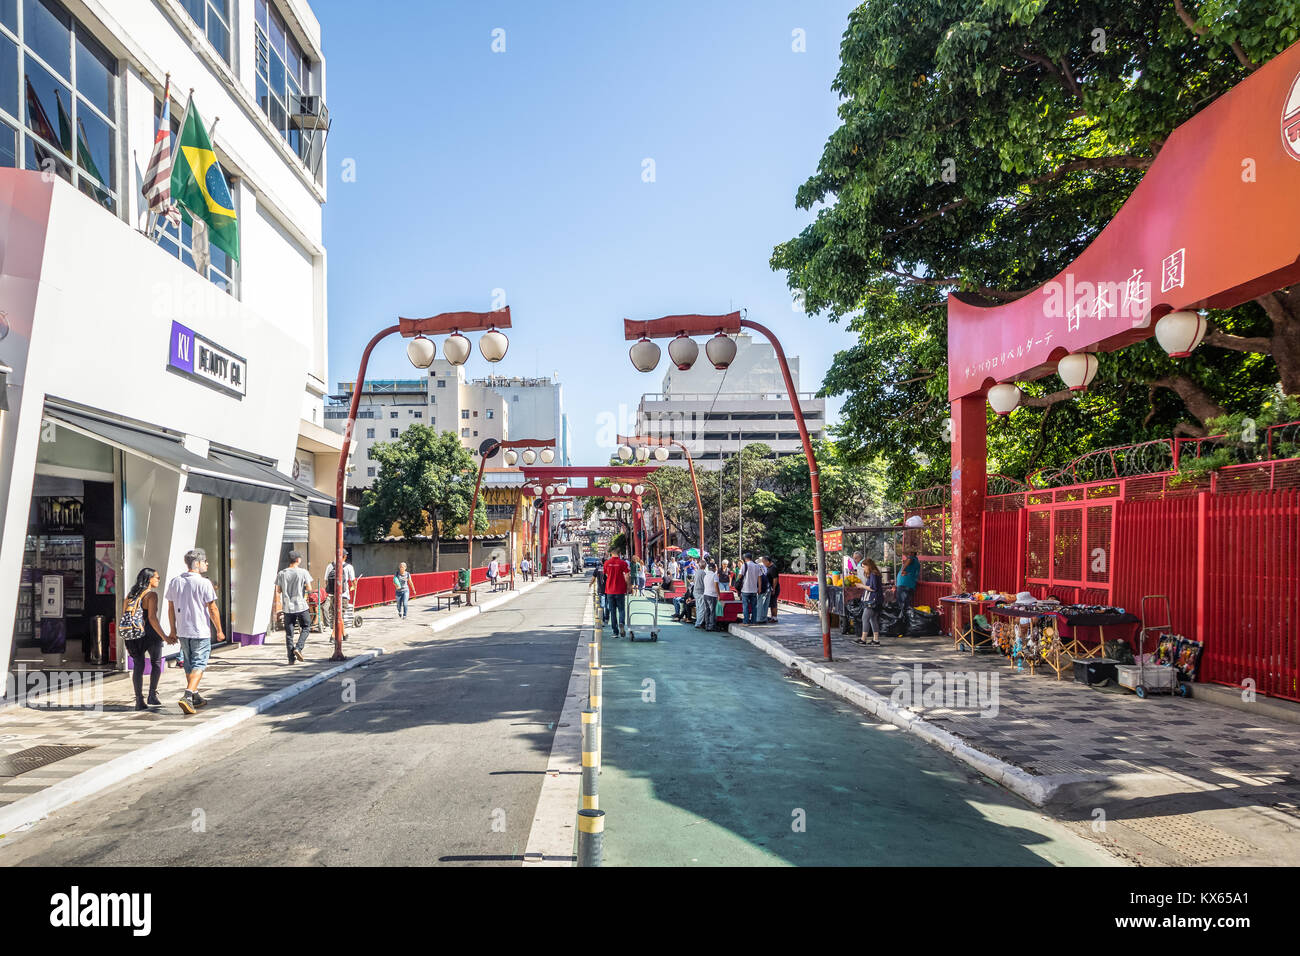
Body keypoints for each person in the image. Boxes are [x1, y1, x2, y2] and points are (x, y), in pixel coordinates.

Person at [165, 548, 225, 714]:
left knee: (189, 665)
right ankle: (188, 695)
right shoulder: (204, 583)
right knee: (199, 663)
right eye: (205, 562)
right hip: (200, 631)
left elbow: (170, 608)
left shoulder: (175, 581)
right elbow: (212, 608)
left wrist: (172, 629)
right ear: (197, 563)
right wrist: (219, 630)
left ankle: (196, 696)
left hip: (183, 630)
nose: (207, 564)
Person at [120, 567, 166, 710]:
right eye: (156, 577)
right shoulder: (151, 595)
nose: (158, 579)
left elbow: (124, 615)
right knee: (156, 663)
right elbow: (152, 618)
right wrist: (164, 636)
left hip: (133, 635)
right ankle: (152, 694)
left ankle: (139, 700)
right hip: (150, 634)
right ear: (149, 579)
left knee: (138, 666)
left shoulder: (130, 595)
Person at [276, 551, 313, 663]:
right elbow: (309, 588)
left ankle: (291, 659)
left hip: (287, 607)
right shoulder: (303, 572)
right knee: (306, 627)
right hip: (301, 605)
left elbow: (278, 590)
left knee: (289, 634)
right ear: (298, 560)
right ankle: (298, 648)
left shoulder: (281, 573)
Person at [325, 550, 358, 637]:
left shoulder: (330, 566)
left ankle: (344, 634)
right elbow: (353, 581)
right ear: (345, 556)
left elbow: (326, 581)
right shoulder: (349, 567)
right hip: (343, 594)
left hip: (332, 594)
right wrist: (353, 587)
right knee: (339, 615)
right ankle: (333, 635)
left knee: (336, 614)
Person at [602, 547, 631, 637]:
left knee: (612, 611)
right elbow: (627, 576)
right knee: (621, 609)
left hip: (610, 590)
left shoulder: (606, 563)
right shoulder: (623, 563)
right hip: (620, 590)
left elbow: (606, 575)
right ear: (619, 554)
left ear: (611, 554)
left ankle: (615, 631)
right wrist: (629, 586)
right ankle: (621, 623)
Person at [857, 558, 884, 646]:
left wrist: (862, 586)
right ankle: (876, 640)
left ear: (869, 566)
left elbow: (873, 588)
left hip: (873, 600)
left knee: (865, 618)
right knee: (873, 619)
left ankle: (863, 639)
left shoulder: (873, 574)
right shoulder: (876, 574)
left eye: (864, 567)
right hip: (878, 600)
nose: (864, 569)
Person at [739, 551, 762, 624]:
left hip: (745, 589)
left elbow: (740, 576)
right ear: (751, 558)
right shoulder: (757, 565)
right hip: (754, 589)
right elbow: (759, 578)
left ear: (745, 558)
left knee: (745, 606)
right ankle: (753, 621)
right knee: (754, 606)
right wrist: (759, 588)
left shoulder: (744, 565)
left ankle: (746, 621)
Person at [701, 560, 720, 630]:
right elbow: (716, 586)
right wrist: (719, 595)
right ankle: (712, 626)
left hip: (706, 594)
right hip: (712, 595)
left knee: (707, 610)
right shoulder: (714, 575)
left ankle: (707, 625)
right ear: (714, 568)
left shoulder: (706, 575)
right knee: (712, 611)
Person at [763, 556, 781, 622]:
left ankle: (774, 617)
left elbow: (775, 579)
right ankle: (772, 617)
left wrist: (774, 588)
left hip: (774, 588)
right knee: (772, 602)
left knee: (773, 602)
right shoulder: (769, 568)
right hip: (771, 587)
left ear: (767, 561)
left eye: (764, 562)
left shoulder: (773, 568)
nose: (763, 563)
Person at [692, 558, 709, 628]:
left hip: (696, 591)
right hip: (701, 591)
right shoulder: (703, 573)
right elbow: (705, 583)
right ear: (705, 566)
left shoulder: (697, 572)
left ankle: (698, 621)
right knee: (701, 608)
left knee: (698, 607)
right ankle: (698, 623)